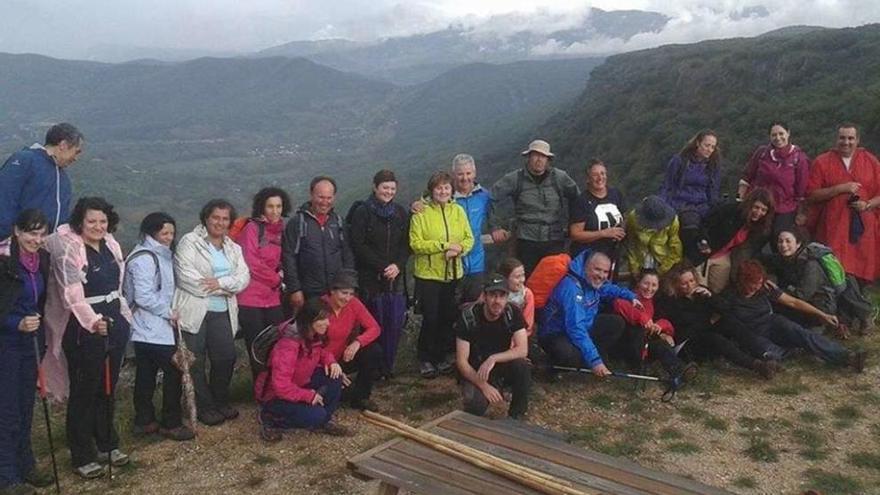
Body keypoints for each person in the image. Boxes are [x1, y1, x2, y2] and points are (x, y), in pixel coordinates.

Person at [43, 197, 132, 479]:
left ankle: (107, 443)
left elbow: (118, 285)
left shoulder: (112, 245)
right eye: (91, 221)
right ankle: (82, 453)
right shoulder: (72, 249)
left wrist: (122, 318)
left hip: (114, 320)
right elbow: (71, 294)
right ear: (80, 222)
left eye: (102, 221)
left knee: (108, 386)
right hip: (83, 328)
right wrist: (93, 322)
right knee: (85, 389)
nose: (97, 226)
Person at [174, 199, 250, 426]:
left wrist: (220, 282)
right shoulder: (190, 242)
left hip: (223, 311)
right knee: (195, 361)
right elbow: (186, 277)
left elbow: (243, 278)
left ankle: (220, 400)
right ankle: (204, 406)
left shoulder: (233, 248)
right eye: (215, 217)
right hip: (195, 311)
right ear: (206, 218)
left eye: (225, 218)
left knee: (225, 358)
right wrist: (226, 285)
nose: (220, 222)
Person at [714, 260, 867, 373]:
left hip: (772, 323)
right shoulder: (729, 296)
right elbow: (717, 319)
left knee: (802, 333)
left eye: (760, 282)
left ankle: (846, 357)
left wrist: (823, 315)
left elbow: (792, 302)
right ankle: (790, 352)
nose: (757, 286)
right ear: (743, 281)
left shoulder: (766, 288)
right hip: (752, 333)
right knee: (768, 351)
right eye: (753, 283)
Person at [124, 212, 194, 442]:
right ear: (151, 232)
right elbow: (144, 295)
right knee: (174, 370)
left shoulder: (154, 254)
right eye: (164, 233)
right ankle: (171, 422)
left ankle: (144, 420)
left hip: (144, 328)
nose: (168, 237)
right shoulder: (146, 257)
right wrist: (168, 312)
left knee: (146, 373)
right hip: (153, 326)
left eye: (171, 233)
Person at [0, 210, 54, 493]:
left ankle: (26, 464)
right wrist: (14, 322)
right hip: (6, 344)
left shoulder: (41, 258)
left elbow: (41, 299)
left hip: (31, 341)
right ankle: (7, 476)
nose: (37, 238)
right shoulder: (3, 259)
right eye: (32, 232)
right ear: (17, 231)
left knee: (26, 406)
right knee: (7, 409)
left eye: (41, 233)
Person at [655, 263, 780, 379]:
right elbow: (687, 327)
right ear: (675, 284)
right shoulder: (670, 301)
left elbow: (726, 309)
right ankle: (756, 365)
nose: (690, 286)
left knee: (730, 321)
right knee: (713, 338)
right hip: (687, 344)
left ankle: (764, 353)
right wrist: (709, 321)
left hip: (705, 330)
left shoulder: (701, 292)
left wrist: (711, 297)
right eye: (684, 283)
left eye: (692, 281)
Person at [255, 299, 350, 442]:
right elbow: (280, 386)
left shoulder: (312, 334)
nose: (327, 323)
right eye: (322, 319)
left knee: (335, 377)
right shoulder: (288, 345)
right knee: (315, 415)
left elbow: (321, 352)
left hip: (299, 383)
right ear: (309, 320)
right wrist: (308, 396)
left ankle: (325, 421)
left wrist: (331, 362)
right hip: (275, 396)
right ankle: (271, 418)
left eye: (327, 318)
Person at [410, 171, 474, 379]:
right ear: (432, 190)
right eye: (439, 188)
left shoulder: (457, 211)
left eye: (447, 187)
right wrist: (444, 246)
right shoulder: (421, 213)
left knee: (447, 316)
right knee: (430, 317)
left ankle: (442, 356)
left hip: (453, 272)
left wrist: (459, 250)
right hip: (428, 275)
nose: (443, 191)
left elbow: (468, 238)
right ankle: (425, 358)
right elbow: (416, 244)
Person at [538, 251, 643, 377]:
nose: (601, 275)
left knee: (616, 323)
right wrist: (595, 361)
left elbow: (608, 288)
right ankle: (551, 367)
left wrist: (630, 297)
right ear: (586, 267)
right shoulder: (571, 288)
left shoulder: (591, 281)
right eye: (597, 269)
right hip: (557, 333)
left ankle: (590, 355)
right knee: (569, 355)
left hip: (582, 327)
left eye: (605, 272)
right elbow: (576, 328)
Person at [348, 170, 410, 378]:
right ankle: (370, 368)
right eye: (385, 187)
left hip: (394, 278)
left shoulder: (400, 212)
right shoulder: (363, 212)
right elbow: (358, 244)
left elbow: (405, 244)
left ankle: (387, 366)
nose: (388, 192)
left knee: (392, 322)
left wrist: (397, 266)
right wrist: (383, 266)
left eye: (392, 188)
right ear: (375, 187)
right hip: (370, 278)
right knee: (371, 323)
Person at [489, 140, 579, 275]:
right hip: (526, 240)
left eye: (543, 156)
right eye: (535, 155)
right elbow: (492, 197)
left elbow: (577, 199)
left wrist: (575, 225)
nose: (539, 160)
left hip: (554, 239)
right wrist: (495, 227)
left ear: (548, 159)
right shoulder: (515, 179)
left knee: (554, 278)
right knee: (527, 279)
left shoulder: (559, 178)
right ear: (528, 157)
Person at [763, 228, 875, 335]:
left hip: (822, 305)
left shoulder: (811, 265)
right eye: (780, 241)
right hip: (805, 301)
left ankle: (829, 324)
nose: (783, 245)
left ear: (798, 244)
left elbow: (802, 295)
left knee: (804, 332)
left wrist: (778, 291)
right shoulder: (784, 259)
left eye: (788, 241)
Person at [806, 123, 880, 283]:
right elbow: (811, 195)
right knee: (834, 268)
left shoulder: (870, 161)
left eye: (850, 138)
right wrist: (840, 188)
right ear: (836, 139)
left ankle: (859, 301)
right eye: (842, 138)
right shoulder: (822, 161)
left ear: (858, 140)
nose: (846, 142)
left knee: (862, 268)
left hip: (864, 227)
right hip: (833, 226)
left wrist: (867, 205)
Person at [455, 274, 530, 419]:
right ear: (484, 296)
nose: (497, 301)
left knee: (523, 366)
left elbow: (522, 350)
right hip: (476, 370)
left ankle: (517, 416)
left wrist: (493, 359)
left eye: (502, 296)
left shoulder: (512, 313)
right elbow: (461, 362)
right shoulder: (468, 317)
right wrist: (484, 386)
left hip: (499, 364)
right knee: (475, 405)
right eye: (493, 296)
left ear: (507, 298)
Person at [236, 187, 291, 382]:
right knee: (257, 346)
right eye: (270, 206)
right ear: (262, 207)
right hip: (251, 298)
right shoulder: (253, 228)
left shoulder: (283, 229)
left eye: (278, 206)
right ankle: (261, 391)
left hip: (273, 297)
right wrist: (277, 279)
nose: (275, 211)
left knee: (277, 343)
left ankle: (275, 387)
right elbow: (251, 261)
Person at [282, 176, 354, 315]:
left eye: (329, 198)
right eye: (321, 197)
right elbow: (288, 257)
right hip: (309, 293)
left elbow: (347, 254)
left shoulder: (338, 222)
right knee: (310, 332)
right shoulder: (297, 223)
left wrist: (348, 286)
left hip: (335, 292)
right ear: (311, 195)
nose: (325, 202)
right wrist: (295, 289)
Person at [0, 123, 83, 240]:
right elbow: (5, 199)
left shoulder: (64, 180)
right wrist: (7, 240)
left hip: (45, 251)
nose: (76, 158)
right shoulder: (25, 160)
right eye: (76, 151)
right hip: (16, 246)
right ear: (63, 145)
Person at [612, 269, 695, 381]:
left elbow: (666, 322)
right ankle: (638, 365)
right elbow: (619, 304)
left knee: (660, 344)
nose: (649, 289)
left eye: (654, 285)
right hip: (625, 344)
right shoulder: (628, 296)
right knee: (638, 330)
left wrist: (660, 327)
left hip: (645, 344)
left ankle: (679, 370)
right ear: (638, 283)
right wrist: (643, 319)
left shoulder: (655, 301)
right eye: (646, 283)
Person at [320, 271, 383, 411]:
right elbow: (313, 346)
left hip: (343, 356)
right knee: (340, 393)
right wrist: (332, 365)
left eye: (351, 293)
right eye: (344, 293)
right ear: (332, 291)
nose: (348, 298)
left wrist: (358, 342)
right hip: (321, 362)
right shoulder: (319, 307)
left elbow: (375, 328)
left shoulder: (353, 303)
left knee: (373, 351)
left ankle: (361, 398)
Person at [695, 188, 775, 293]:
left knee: (718, 291)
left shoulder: (760, 228)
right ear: (749, 204)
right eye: (756, 207)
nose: (758, 212)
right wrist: (703, 243)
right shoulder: (730, 209)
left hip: (724, 257)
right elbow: (704, 224)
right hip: (704, 253)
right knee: (699, 290)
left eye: (763, 210)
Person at [660, 130, 722, 263]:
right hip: (680, 203)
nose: (709, 149)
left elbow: (713, 191)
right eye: (707, 145)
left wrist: (715, 208)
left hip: (702, 205)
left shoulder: (713, 165)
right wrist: (664, 208)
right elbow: (667, 185)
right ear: (698, 143)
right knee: (690, 224)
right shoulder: (679, 161)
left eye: (712, 146)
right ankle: (690, 262)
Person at [737, 122, 810, 234]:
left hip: (784, 209)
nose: (778, 138)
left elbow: (801, 191)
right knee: (749, 241)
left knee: (779, 242)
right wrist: (740, 199)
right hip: (759, 208)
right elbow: (747, 176)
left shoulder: (799, 158)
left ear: (788, 133)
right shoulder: (762, 153)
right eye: (774, 135)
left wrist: (801, 213)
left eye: (781, 134)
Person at [568, 159, 626, 267]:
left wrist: (622, 232)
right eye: (595, 175)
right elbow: (575, 234)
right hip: (589, 258)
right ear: (588, 179)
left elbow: (624, 216)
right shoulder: (581, 201)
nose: (600, 178)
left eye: (602, 173)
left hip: (612, 254)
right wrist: (604, 233)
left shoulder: (616, 194)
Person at [624, 195, 683, 275]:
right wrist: (634, 269)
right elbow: (631, 243)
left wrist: (663, 270)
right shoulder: (633, 218)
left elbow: (675, 248)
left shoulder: (673, 221)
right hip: (641, 261)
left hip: (664, 263)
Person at [497, 258, 535, 336]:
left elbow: (528, 325)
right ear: (505, 278)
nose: (522, 280)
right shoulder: (496, 294)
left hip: (520, 335)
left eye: (523, 275)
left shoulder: (527, 294)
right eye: (517, 277)